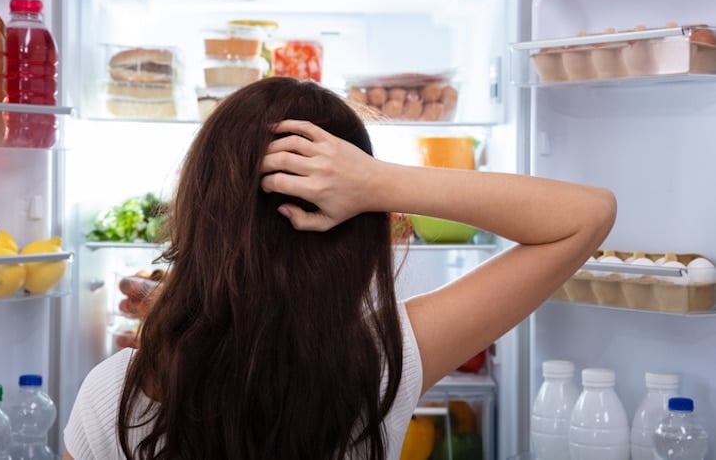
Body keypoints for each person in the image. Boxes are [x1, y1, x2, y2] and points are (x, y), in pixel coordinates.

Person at [63, 76, 616, 460]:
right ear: (361, 230)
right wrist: (378, 182)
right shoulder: (380, 362)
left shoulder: (111, 393)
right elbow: (587, 215)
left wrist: (195, 319)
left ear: (199, 212)